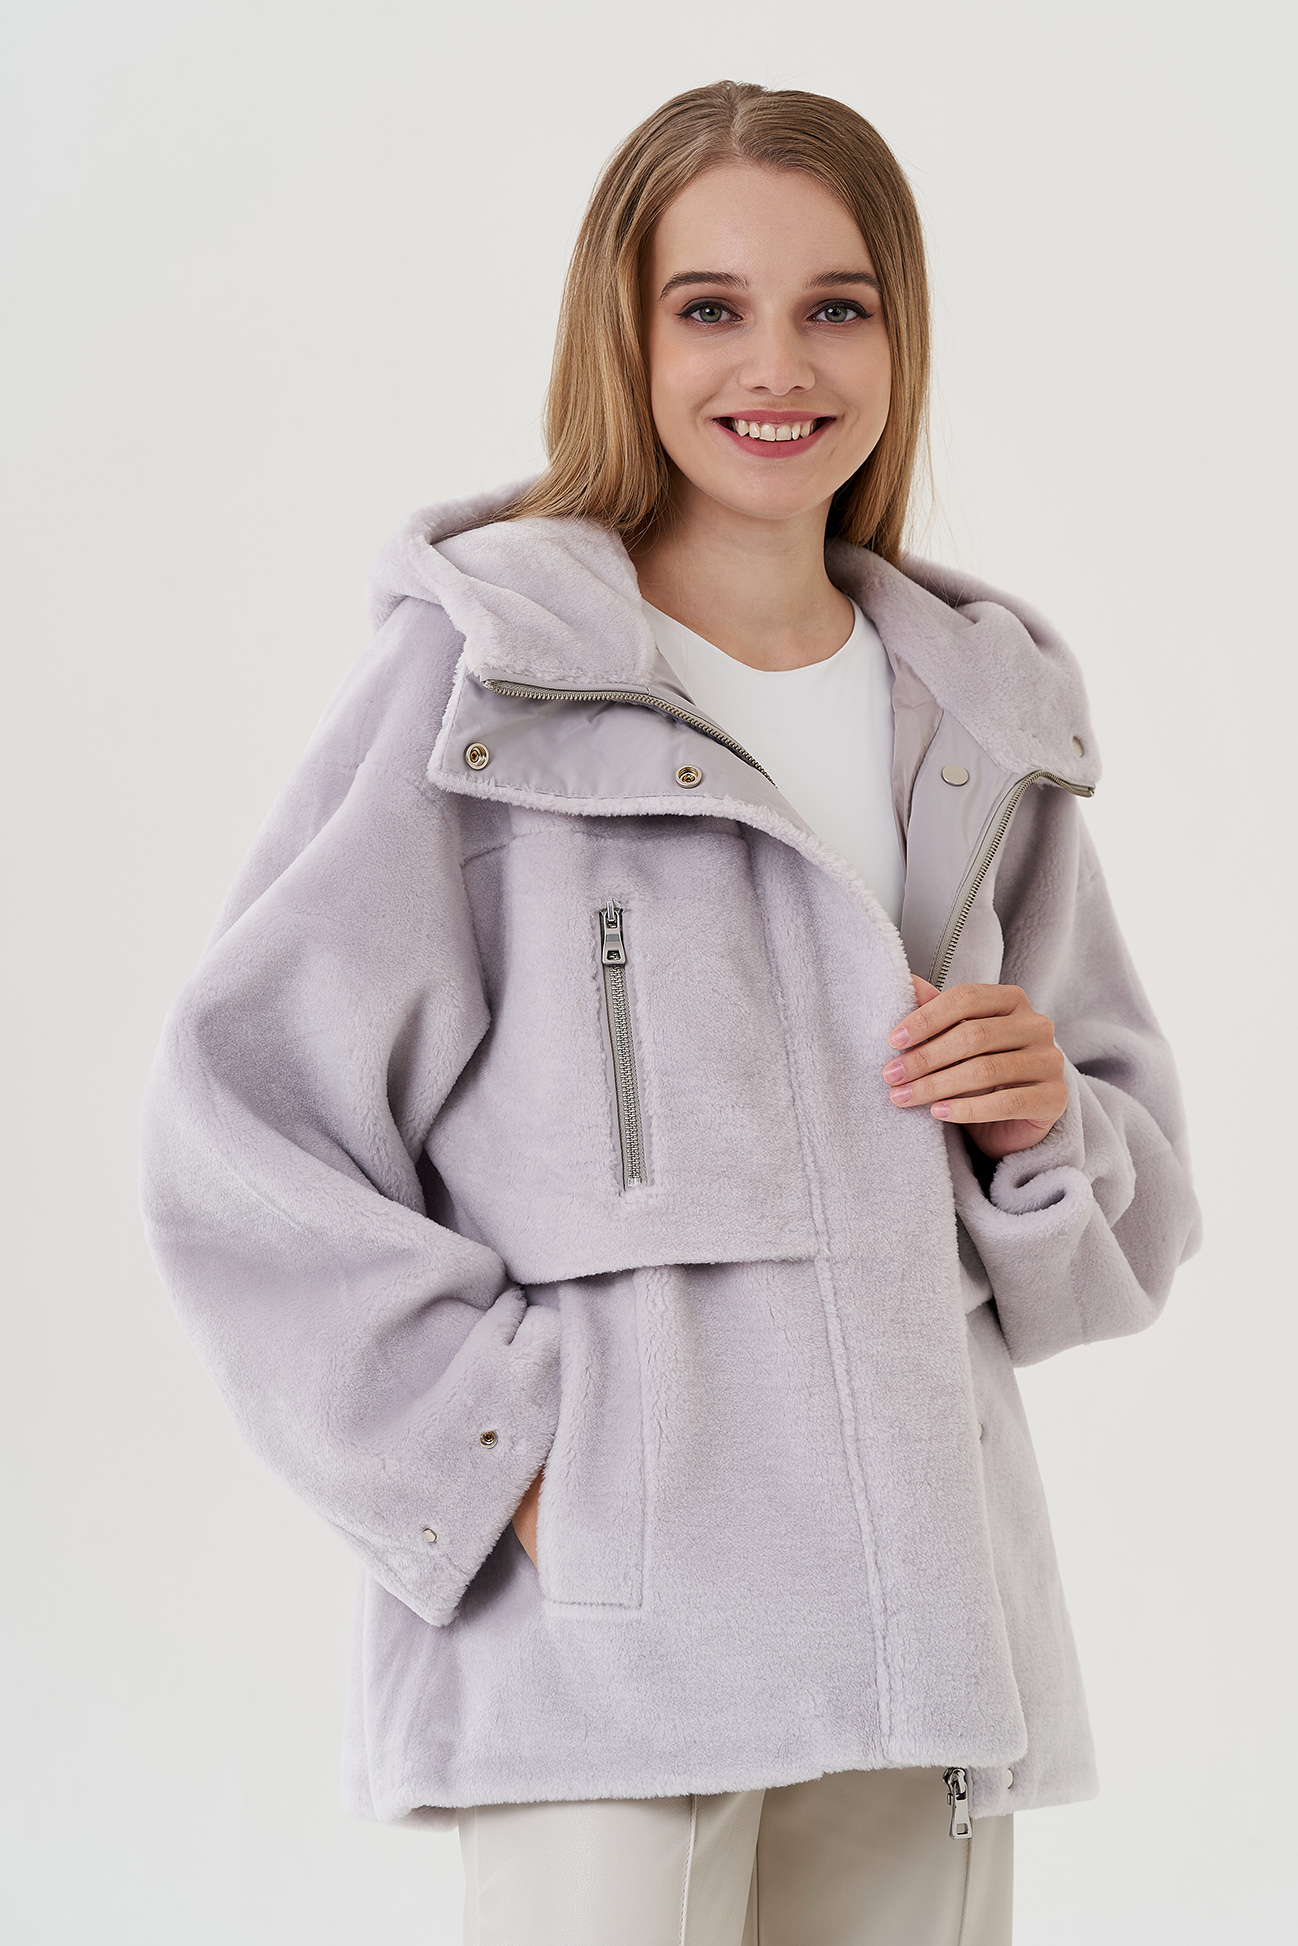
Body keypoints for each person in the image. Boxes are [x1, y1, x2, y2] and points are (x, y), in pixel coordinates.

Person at [140, 80, 1200, 1946]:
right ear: (620, 339)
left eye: (834, 306)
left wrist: (1047, 1122)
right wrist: (511, 1464)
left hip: (923, 1627)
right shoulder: (491, 681)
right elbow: (242, 1123)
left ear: (898, 337)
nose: (775, 364)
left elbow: (1119, 1227)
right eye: (709, 306)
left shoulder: (977, 712)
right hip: (612, 1649)